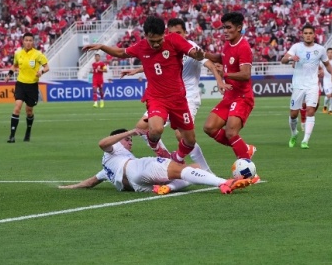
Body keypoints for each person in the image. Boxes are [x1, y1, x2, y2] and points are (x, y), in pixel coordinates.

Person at [83, 16, 205, 164]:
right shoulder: (141, 46)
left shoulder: (174, 40)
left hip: (178, 98)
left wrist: (197, 55)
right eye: (152, 41)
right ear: (146, 35)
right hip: (156, 98)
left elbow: (192, 52)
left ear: (164, 34)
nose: (155, 44)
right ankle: (155, 145)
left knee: (189, 140)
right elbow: (121, 53)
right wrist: (103, 47)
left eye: (159, 40)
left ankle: (176, 158)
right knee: (155, 130)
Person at [121, 18, 226, 172]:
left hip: (187, 96)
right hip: (164, 95)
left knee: (181, 135)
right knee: (142, 127)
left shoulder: (191, 47)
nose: (175, 35)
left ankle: (205, 170)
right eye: (172, 33)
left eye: (178, 32)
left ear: (185, 32)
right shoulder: (166, 44)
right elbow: (158, 64)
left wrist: (219, 81)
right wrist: (136, 70)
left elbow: (209, 63)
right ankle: (165, 157)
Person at [58, 128, 252, 195]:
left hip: (137, 186)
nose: (130, 143)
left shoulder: (108, 165)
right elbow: (102, 143)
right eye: (128, 140)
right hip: (136, 169)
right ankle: (223, 183)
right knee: (180, 169)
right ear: (118, 140)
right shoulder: (114, 149)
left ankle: (170, 188)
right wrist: (130, 132)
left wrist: (70, 187)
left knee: (192, 168)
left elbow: (91, 181)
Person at [203, 12, 257, 163]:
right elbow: (222, 58)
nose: (225, 31)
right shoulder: (228, 44)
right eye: (223, 28)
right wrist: (203, 54)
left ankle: (248, 171)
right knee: (209, 127)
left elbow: (246, 74)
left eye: (228, 27)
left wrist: (225, 74)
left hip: (242, 97)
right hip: (229, 96)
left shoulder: (244, 47)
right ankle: (244, 148)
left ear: (239, 28)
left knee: (231, 132)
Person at [282, 24, 332, 149]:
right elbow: (283, 60)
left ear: (314, 35)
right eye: (306, 33)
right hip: (298, 86)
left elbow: (327, 64)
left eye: (310, 33)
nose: (308, 35)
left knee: (310, 111)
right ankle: (294, 134)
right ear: (302, 35)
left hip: (312, 85)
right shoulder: (296, 47)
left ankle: (305, 140)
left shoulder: (320, 49)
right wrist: (292, 57)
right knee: (293, 114)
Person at [5, 32, 50, 142]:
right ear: (23, 41)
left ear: (33, 42)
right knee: (17, 107)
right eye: (26, 40)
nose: (28, 42)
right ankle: (12, 136)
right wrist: (9, 75)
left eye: (30, 40)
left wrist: (41, 72)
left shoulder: (38, 54)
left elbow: (47, 67)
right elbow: (15, 65)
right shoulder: (18, 53)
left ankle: (28, 131)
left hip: (32, 86)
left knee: (29, 110)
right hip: (20, 84)